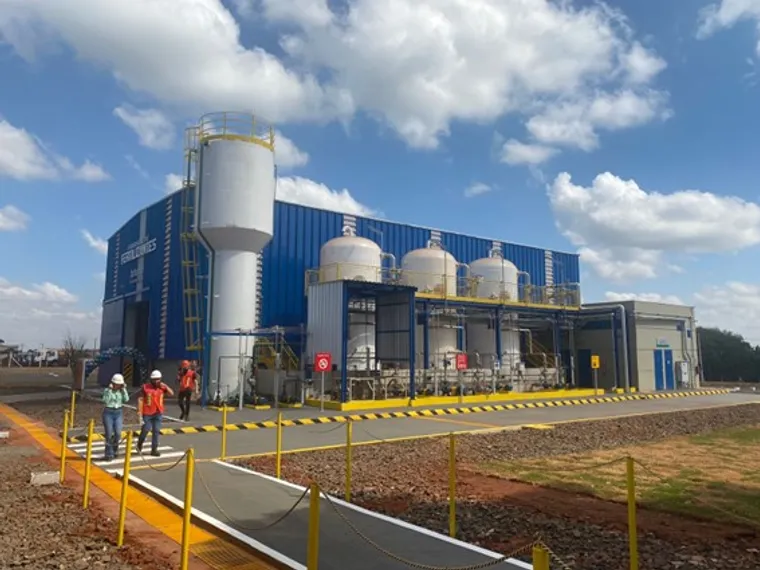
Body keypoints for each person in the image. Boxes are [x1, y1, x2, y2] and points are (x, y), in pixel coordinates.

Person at [137, 369, 174, 457]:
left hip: (158, 412)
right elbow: (140, 399)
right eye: (154, 379)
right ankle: (139, 443)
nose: (156, 381)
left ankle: (154, 449)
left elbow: (171, 393)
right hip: (147, 413)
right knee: (145, 430)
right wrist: (139, 412)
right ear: (151, 379)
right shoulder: (145, 387)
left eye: (158, 379)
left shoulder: (162, 388)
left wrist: (165, 386)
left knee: (156, 431)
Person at [102, 373, 129, 461]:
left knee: (118, 433)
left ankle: (115, 449)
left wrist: (124, 389)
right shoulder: (107, 390)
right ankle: (108, 454)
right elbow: (105, 400)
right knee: (109, 434)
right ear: (113, 383)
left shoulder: (121, 391)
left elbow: (126, 399)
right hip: (108, 412)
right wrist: (110, 390)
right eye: (117, 384)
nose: (118, 386)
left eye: (120, 384)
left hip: (118, 412)